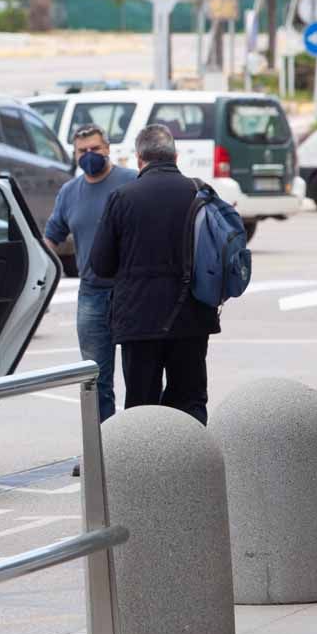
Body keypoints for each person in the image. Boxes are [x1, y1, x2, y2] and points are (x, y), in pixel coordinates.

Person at [91, 124, 220, 425]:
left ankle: (145, 471)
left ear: (139, 159)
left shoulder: (122, 198)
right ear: (175, 156)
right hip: (192, 315)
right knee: (190, 400)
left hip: (139, 321)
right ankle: (194, 468)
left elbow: (101, 264)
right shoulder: (199, 192)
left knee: (142, 408)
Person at [44, 125, 136, 426]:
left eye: (95, 149)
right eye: (82, 151)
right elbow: (51, 239)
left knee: (140, 376)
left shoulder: (131, 182)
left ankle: (135, 448)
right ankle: (100, 452)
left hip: (132, 291)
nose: (89, 156)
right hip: (92, 294)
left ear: (108, 149)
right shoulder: (70, 191)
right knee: (95, 380)